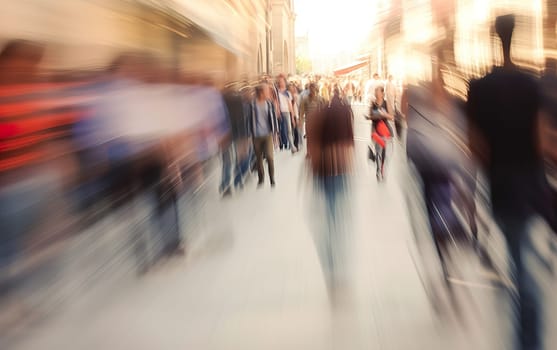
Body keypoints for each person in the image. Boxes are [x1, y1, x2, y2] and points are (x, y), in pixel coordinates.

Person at [467, 14, 557, 350]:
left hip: (502, 184)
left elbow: (476, 147)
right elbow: (541, 141)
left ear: (494, 38)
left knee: (519, 262)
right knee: (525, 259)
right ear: (515, 37)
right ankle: (528, 338)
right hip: (532, 182)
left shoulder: (478, 88)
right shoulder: (532, 83)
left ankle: (527, 340)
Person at [306, 87, 354, 301]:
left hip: (324, 175)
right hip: (339, 175)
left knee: (328, 222)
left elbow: (311, 152)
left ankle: (331, 269)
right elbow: (349, 147)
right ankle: (337, 267)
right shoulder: (343, 117)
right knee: (337, 221)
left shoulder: (315, 117)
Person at [248, 83, 278, 187]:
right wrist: (249, 135)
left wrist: (275, 134)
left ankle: (272, 178)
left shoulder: (269, 104)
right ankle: (261, 179)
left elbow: (273, 119)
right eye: (266, 91)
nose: (268, 93)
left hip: (267, 134)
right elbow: (249, 120)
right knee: (259, 158)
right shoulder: (252, 104)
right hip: (256, 136)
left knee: (270, 157)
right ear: (261, 92)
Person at [368, 86, 394, 181]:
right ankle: (378, 171)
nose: (376, 93)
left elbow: (391, 117)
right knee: (378, 152)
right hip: (376, 131)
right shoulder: (373, 104)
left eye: (377, 91)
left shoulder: (386, 103)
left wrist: (383, 115)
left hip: (385, 131)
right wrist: (373, 116)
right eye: (375, 91)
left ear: (382, 93)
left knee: (385, 154)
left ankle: (382, 169)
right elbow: (370, 116)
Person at [300, 83, 325, 153]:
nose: (312, 91)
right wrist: (301, 121)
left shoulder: (320, 99)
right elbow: (302, 111)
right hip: (309, 121)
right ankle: (309, 152)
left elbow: (324, 110)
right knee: (309, 137)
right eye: (311, 89)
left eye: (314, 89)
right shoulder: (305, 99)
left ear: (316, 89)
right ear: (309, 90)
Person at [276, 75, 296, 153]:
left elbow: (290, 105)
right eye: (280, 81)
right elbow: (276, 103)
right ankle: (281, 145)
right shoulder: (276, 92)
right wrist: (277, 112)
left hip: (286, 112)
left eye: (282, 81)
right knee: (279, 130)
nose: (281, 83)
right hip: (279, 113)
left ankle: (292, 146)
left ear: (285, 82)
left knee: (289, 130)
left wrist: (292, 116)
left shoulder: (287, 93)